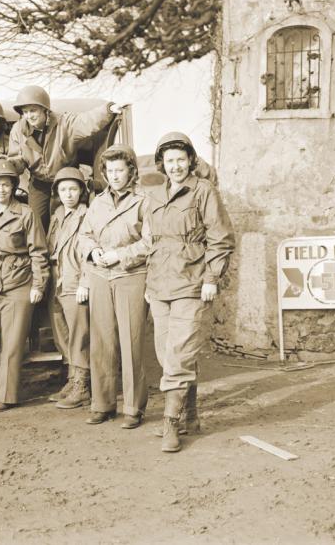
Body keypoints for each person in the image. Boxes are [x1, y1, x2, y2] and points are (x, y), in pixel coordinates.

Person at [145, 132, 235, 453]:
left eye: (181, 159)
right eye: (169, 161)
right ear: (162, 164)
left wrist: (211, 277)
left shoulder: (204, 191)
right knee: (167, 353)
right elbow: (150, 242)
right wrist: (148, 285)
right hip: (159, 285)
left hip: (192, 281)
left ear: (191, 160)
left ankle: (170, 421)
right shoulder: (153, 196)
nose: (175, 166)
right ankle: (191, 415)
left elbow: (221, 238)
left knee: (179, 353)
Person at [78, 144, 150, 429]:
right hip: (99, 275)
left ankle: (133, 407)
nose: (115, 175)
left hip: (130, 275)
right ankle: (103, 404)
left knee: (131, 343)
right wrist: (93, 250)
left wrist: (120, 255)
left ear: (131, 171)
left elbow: (150, 242)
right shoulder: (98, 203)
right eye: (110, 170)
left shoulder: (144, 201)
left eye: (121, 170)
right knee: (101, 341)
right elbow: (83, 235)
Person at [0, 159, 49, 412]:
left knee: (13, 343)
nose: (1, 190)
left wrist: (39, 284)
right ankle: (3, 359)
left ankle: (6, 395)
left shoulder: (26, 213)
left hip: (19, 281)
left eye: (5, 185)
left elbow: (38, 251)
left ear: (13, 187)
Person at [7, 85, 122, 230]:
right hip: (39, 181)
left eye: (33, 110)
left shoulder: (64, 123)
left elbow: (87, 121)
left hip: (66, 177)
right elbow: (17, 157)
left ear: (44, 109)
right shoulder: (18, 130)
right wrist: (11, 165)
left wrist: (108, 109)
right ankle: (41, 252)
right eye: (25, 112)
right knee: (36, 221)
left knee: (69, 218)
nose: (29, 116)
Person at [46, 167, 91, 409]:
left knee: (79, 334)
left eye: (73, 189)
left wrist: (85, 281)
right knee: (62, 333)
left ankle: (83, 385)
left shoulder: (87, 215)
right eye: (63, 189)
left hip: (74, 280)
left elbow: (89, 253)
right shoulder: (57, 216)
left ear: (82, 191)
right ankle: (72, 378)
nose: (68, 194)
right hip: (57, 279)